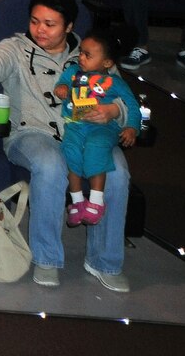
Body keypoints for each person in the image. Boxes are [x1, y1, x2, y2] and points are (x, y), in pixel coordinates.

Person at [0, 0, 130, 291]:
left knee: (117, 171)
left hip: (87, 136)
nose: (40, 29)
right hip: (32, 135)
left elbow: (124, 101)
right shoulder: (15, 47)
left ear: (69, 27)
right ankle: (48, 258)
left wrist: (112, 110)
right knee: (49, 163)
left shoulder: (92, 53)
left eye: (50, 24)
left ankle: (104, 261)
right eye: (35, 21)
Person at [53, 27, 142, 228]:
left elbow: (132, 105)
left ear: (107, 63)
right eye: (81, 52)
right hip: (75, 125)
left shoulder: (115, 82)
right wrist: (62, 88)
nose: (81, 58)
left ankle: (95, 201)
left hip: (103, 128)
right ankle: (76, 203)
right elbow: (62, 83)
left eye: (87, 55)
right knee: (70, 152)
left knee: (95, 148)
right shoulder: (73, 72)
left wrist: (131, 128)